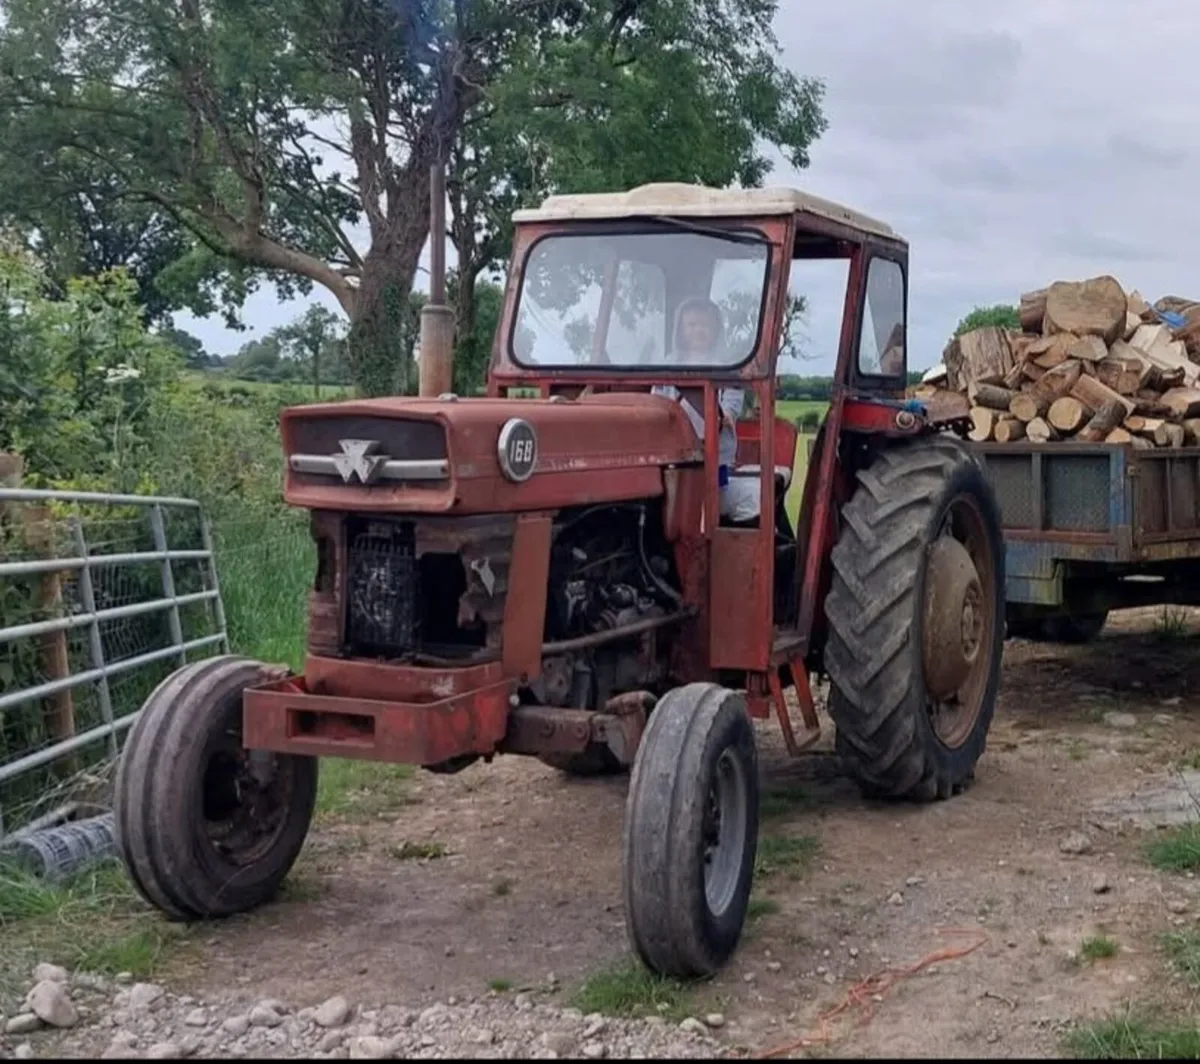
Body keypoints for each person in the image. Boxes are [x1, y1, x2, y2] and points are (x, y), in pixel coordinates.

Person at [651, 298, 759, 523]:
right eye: (691, 325)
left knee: (712, 495)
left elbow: (733, 393)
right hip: (675, 444)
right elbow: (657, 397)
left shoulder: (726, 365)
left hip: (714, 446)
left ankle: (710, 527)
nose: (698, 331)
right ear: (681, 330)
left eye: (704, 325)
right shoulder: (668, 364)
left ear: (715, 330)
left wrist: (727, 413)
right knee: (674, 495)